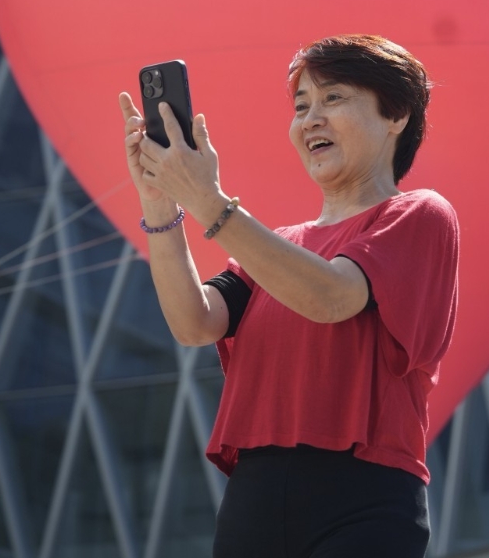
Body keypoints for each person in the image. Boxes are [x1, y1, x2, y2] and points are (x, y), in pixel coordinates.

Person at [119, 34, 459, 558]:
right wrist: (161, 202)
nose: (311, 120)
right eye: (302, 107)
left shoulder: (419, 213)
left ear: (397, 116)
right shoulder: (276, 247)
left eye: (334, 99)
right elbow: (195, 322)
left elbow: (332, 298)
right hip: (253, 499)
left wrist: (209, 201)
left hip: (364, 497)